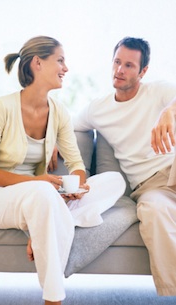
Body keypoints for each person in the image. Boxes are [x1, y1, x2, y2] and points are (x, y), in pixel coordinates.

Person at [0, 36, 126, 305]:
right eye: (60, 60)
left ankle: (45, 223)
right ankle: (53, 299)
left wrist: (78, 186)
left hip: (42, 195)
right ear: (37, 63)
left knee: (114, 181)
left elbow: (78, 165)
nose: (66, 68)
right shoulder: (2, 107)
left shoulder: (59, 113)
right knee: (45, 192)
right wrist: (36, 182)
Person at [71, 36, 176, 296]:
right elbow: (68, 125)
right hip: (151, 187)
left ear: (143, 71)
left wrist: (169, 112)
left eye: (129, 65)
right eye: (117, 62)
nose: (120, 70)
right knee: (152, 210)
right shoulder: (99, 109)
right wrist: (52, 141)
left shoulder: (159, 91)